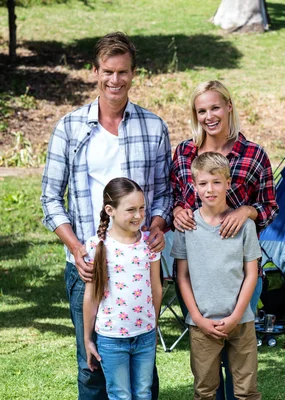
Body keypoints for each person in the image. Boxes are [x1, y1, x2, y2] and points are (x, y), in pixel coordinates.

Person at [41, 32, 172, 399]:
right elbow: (50, 198)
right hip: (89, 267)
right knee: (92, 365)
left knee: (143, 366)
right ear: (94, 71)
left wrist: (158, 225)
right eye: (108, 71)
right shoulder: (69, 128)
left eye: (124, 72)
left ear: (134, 73)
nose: (115, 80)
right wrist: (77, 247)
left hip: (137, 262)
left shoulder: (153, 126)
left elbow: (164, 193)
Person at [170, 80, 278, 399]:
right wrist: (177, 209)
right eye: (201, 110)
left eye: (215, 107)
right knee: (206, 375)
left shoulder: (253, 154)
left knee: (241, 373)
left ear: (229, 106)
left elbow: (271, 206)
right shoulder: (184, 152)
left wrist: (246, 210)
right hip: (198, 271)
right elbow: (175, 197)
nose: (209, 116)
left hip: (240, 270)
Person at [172, 152, 262, 400]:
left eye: (216, 182)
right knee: (204, 391)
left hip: (241, 323)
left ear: (228, 183)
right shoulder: (187, 226)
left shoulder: (245, 225)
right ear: (194, 186)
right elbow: (182, 277)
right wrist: (198, 319)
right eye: (203, 183)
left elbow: (251, 273)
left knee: (247, 391)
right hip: (202, 325)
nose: (210, 189)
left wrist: (235, 316)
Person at [83, 178, 162, 400]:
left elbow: (156, 288)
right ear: (110, 210)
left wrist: (153, 325)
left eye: (142, 208)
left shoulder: (149, 243)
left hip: (145, 336)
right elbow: (91, 297)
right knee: (120, 395)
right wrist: (88, 339)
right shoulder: (97, 246)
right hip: (111, 338)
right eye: (130, 210)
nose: (138, 215)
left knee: (143, 393)